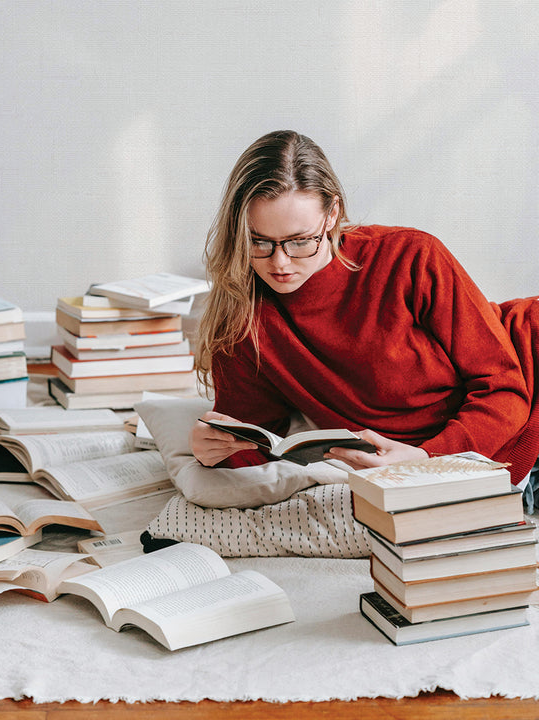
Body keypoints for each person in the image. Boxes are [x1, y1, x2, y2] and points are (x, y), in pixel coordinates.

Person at [190, 130, 539, 502]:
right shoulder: (243, 317)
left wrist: (425, 458)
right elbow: (254, 441)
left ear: (332, 214)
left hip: (526, 369)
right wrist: (209, 450)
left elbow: (504, 388)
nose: (279, 262)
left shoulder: (410, 257)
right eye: (258, 241)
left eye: (299, 241)